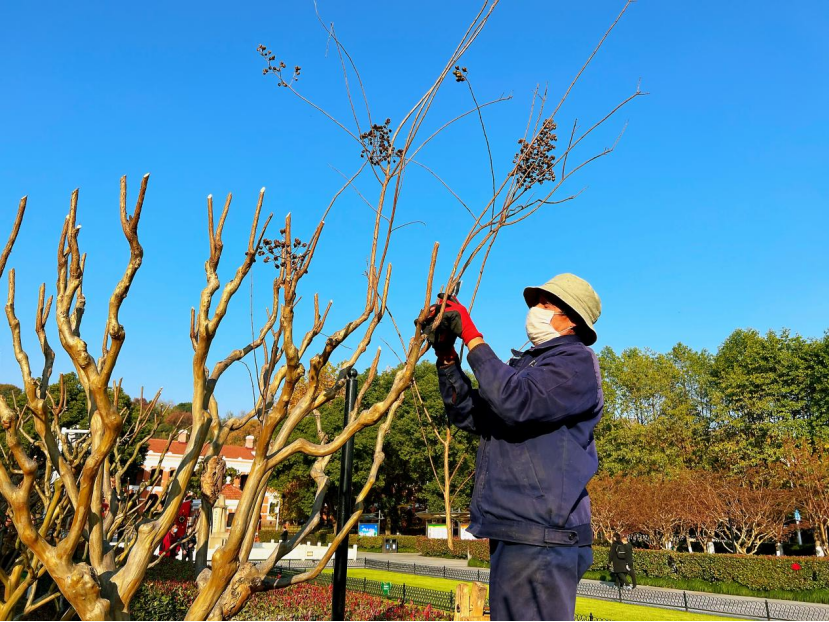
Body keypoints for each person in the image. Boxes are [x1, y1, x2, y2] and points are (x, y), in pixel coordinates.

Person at [427, 273, 603, 621]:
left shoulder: (576, 363)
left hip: (544, 536)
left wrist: (472, 336)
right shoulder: (528, 365)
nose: (535, 310)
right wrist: (447, 355)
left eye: (545, 303)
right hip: (520, 530)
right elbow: (472, 415)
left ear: (572, 318)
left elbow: (514, 400)